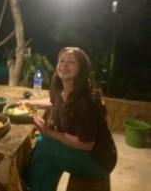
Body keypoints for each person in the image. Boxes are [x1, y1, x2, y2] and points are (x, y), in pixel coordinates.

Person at [23, 47, 117, 191]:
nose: (64, 65)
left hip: (98, 161)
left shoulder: (86, 102)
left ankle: (30, 184)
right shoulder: (62, 89)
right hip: (84, 153)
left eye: (71, 62)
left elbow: (86, 144)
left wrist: (49, 132)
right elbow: (53, 101)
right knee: (43, 146)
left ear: (82, 68)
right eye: (61, 61)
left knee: (45, 148)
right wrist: (30, 103)